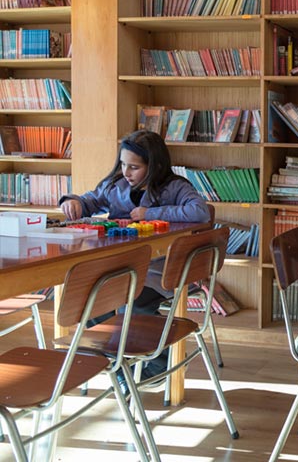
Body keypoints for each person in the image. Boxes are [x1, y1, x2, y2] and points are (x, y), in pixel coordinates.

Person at [59, 130, 211, 384]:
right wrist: (72, 201)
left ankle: (157, 365)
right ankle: (119, 366)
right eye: (122, 164)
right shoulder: (115, 186)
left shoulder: (175, 187)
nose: (126, 172)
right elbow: (89, 201)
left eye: (134, 167)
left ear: (155, 166)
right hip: (119, 269)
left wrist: (151, 213)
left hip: (159, 272)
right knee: (92, 301)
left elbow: (200, 211)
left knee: (135, 303)